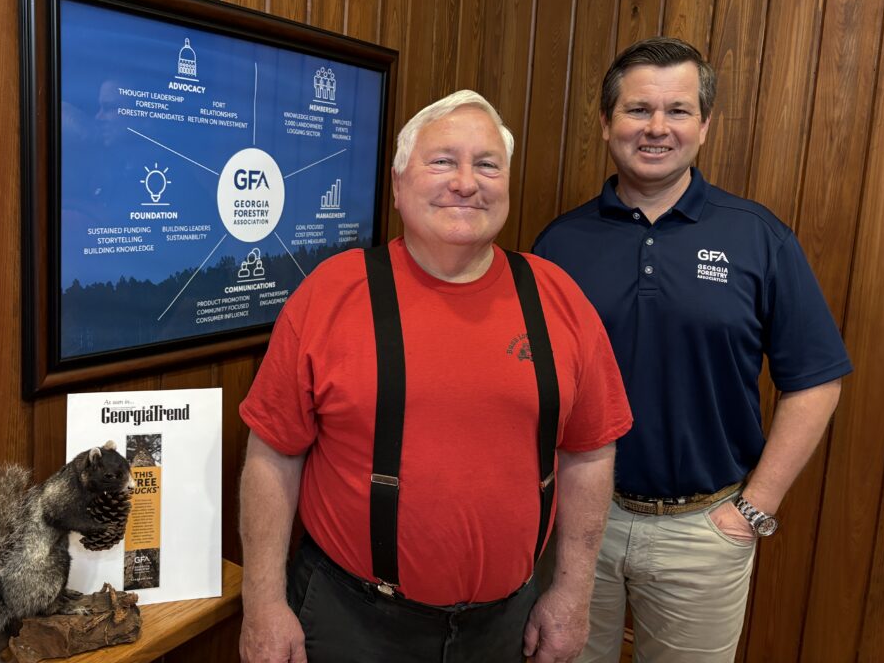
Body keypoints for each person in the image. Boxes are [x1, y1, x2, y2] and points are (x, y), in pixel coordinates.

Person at [238, 89, 633, 663]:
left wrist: (573, 594)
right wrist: (263, 604)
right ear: (399, 185)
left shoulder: (559, 298)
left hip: (504, 628)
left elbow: (590, 452)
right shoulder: (330, 294)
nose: (466, 183)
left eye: (487, 165)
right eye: (443, 161)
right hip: (351, 623)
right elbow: (272, 456)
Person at [532, 37, 852, 662]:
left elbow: (816, 380)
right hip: (577, 526)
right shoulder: (560, 244)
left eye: (677, 110)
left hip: (704, 531)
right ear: (606, 123)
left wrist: (754, 510)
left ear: (704, 125)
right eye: (637, 109)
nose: (657, 127)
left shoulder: (759, 238)